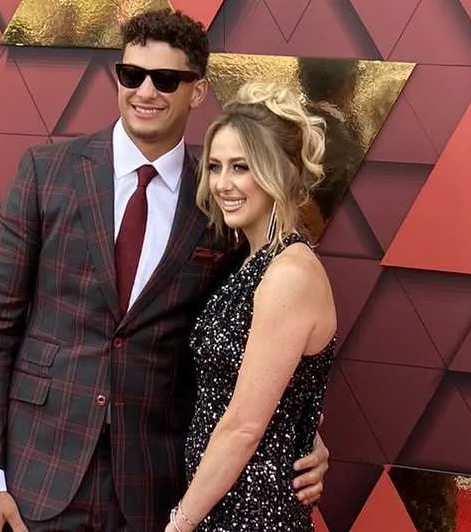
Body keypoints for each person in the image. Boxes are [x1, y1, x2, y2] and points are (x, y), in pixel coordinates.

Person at [0, 8, 330, 532]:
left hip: (155, 484)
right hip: (36, 476)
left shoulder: (222, 197)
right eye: (131, 75)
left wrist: (304, 433)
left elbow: (264, 331)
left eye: (165, 79)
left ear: (197, 92)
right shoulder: (48, 173)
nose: (145, 91)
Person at [166, 82, 338, 532]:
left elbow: (243, 426)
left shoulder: (288, 274)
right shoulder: (254, 265)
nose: (222, 183)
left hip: (252, 514)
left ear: (277, 172)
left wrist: (180, 523)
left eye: (240, 167)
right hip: (226, 503)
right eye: (216, 166)